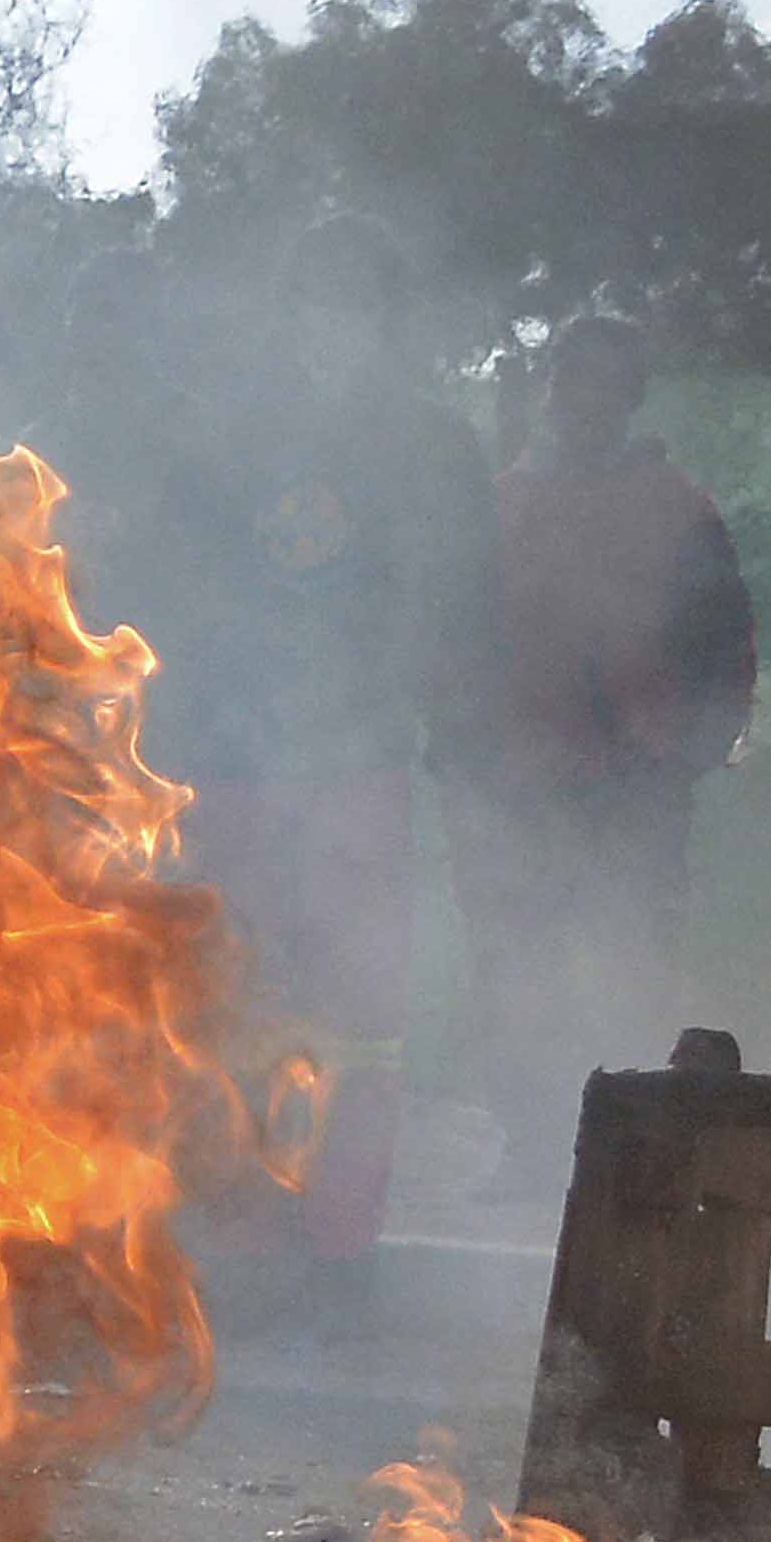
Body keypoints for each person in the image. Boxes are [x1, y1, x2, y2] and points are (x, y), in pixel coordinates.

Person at [149, 216, 497, 1330]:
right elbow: (179, 586)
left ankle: (340, 1240)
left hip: (357, 766)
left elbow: (456, 601)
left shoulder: (432, 449)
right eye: (311, 303)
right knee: (231, 996)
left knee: (358, 1015)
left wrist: (399, 698)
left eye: (353, 305)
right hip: (234, 765)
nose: (328, 328)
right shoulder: (230, 436)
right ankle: (234, 1233)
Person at [459, 314, 753, 1118]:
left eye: (605, 382)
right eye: (569, 377)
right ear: (552, 389)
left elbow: (725, 635)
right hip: (527, 773)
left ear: (631, 397)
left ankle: (640, 1130)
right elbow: (466, 635)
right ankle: (531, 1137)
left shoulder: (676, 506)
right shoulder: (503, 504)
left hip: (640, 776)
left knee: (632, 952)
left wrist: (689, 750)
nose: (583, 397)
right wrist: (476, 752)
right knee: (523, 954)